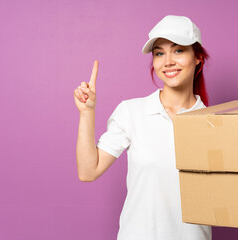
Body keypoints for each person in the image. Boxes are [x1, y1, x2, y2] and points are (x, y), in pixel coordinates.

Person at [74, 15, 212, 240]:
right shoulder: (131, 112)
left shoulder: (214, 122)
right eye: (159, 53)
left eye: (178, 50)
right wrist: (87, 113)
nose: (167, 61)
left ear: (197, 57)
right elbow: (88, 171)